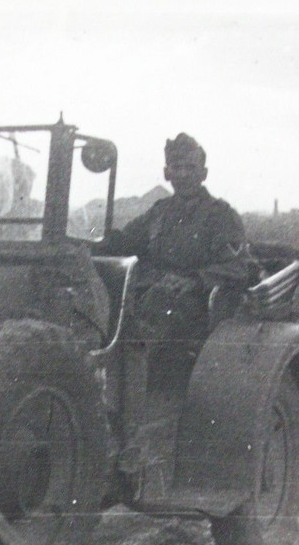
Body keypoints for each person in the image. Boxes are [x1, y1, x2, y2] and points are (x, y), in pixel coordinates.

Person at [101, 133, 261, 384]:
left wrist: (197, 280)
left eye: (190, 168)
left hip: (196, 304)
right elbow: (126, 241)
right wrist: (92, 242)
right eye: (177, 168)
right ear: (167, 173)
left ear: (203, 173)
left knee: (150, 312)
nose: (183, 175)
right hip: (154, 294)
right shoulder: (159, 212)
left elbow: (238, 267)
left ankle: (127, 390)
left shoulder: (220, 216)